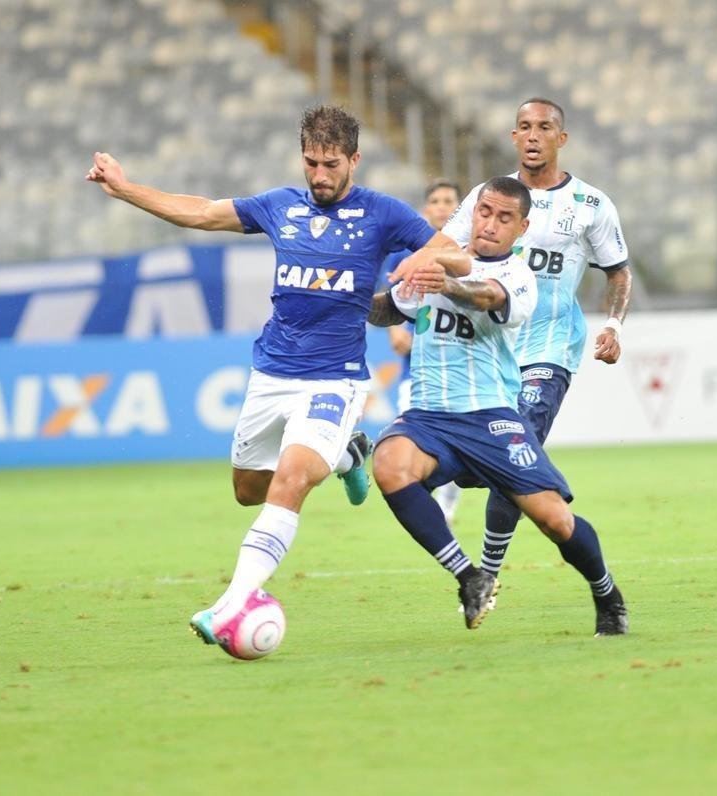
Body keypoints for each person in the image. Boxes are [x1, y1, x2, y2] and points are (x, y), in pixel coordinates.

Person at [86, 105, 462, 649]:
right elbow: (200, 212)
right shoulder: (279, 205)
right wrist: (125, 189)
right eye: (311, 162)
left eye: (331, 163)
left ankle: (231, 604)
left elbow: (448, 247)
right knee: (248, 490)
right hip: (272, 372)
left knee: (288, 483)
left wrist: (423, 263)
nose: (319, 174)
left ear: (354, 159)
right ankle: (348, 455)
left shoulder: (382, 213)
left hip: (335, 380)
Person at [368, 176, 628, 635]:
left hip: (489, 418)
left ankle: (606, 592)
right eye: (485, 212)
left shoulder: (517, 276)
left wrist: (445, 283)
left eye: (504, 218)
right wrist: (340, 297)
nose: (490, 224)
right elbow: (391, 308)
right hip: (430, 418)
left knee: (552, 519)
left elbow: (485, 296)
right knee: (389, 464)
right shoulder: (435, 265)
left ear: (522, 227)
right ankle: (470, 576)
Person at [442, 98, 632, 587]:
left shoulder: (590, 204)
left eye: (544, 127)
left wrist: (613, 325)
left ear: (560, 139)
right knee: (476, 463)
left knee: (515, 446)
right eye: (524, 127)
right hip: (491, 346)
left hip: (550, 347)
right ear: (512, 137)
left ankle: (487, 572)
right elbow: (447, 246)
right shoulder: (490, 197)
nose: (532, 135)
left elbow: (618, 270)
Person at [380, 179, 464, 527]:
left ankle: (447, 503)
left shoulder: (468, 252)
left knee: (460, 447)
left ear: (460, 208)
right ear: (426, 208)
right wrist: (395, 331)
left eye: (449, 200)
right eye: (435, 200)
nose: (442, 206)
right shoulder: (407, 253)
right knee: (409, 442)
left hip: (460, 370)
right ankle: (432, 511)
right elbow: (389, 299)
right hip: (414, 372)